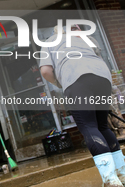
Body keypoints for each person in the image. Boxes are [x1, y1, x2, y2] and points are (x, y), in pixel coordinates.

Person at [39, 24, 125, 187]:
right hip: (102, 76)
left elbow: (45, 71)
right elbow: (98, 55)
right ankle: (122, 173)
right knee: (103, 126)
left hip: (76, 77)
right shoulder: (83, 39)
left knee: (89, 126)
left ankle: (110, 180)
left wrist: (60, 83)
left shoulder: (50, 41)